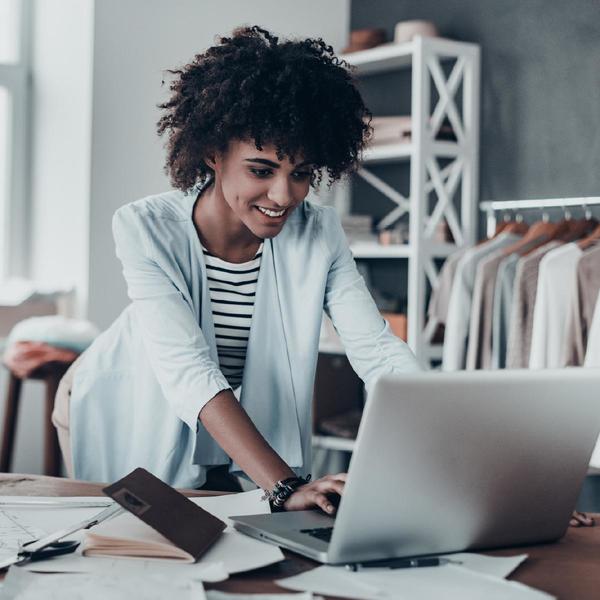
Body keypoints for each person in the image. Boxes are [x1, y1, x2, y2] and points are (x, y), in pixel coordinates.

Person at [52, 26, 419, 513]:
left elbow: (376, 350)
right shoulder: (144, 228)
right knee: (137, 553)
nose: (284, 196)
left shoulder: (318, 232)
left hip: (220, 410)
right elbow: (189, 371)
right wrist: (284, 486)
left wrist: (440, 438)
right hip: (119, 396)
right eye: (261, 170)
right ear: (213, 153)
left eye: (302, 173)